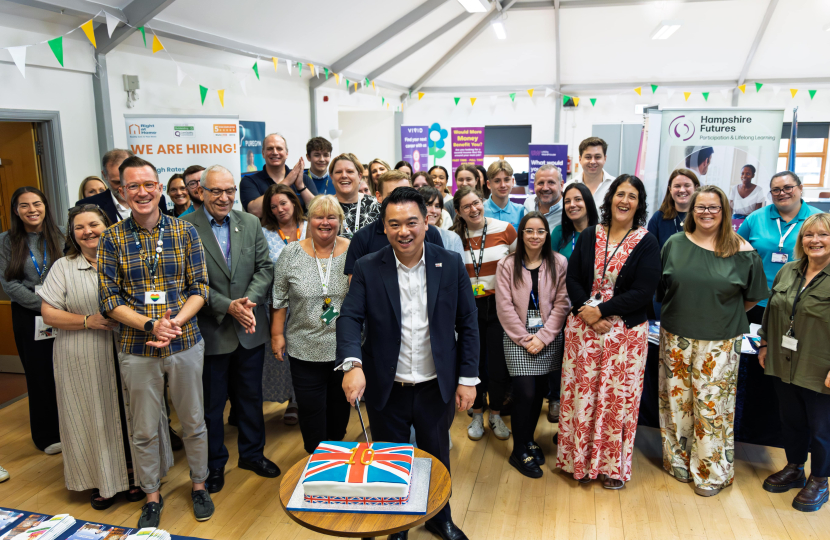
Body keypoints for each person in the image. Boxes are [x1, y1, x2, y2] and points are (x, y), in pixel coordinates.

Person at [338, 187, 479, 540]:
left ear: (427, 220)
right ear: (383, 228)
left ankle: (439, 516)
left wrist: (468, 378)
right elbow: (349, 318)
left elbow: (469, 322)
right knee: (390, 458)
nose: (404, 231)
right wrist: (352, 363)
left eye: (412, 222)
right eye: (395, 224)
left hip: (436, 384)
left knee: (436, 454)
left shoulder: (449, 264)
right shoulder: (368, 267)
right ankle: (395, 522)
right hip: (388, 385)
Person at [98, 156, 213, 527]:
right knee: (144, 428)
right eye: (133, 186)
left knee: (194, 421)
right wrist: (152, 325)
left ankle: (199, 484)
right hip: (137, 347)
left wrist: (173, 323)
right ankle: (151, 493)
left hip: (184, 341)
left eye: (149, 185)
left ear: (159, 188)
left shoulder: (185, 232)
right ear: (122, 191)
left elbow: (200, 288)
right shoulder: (112, 238)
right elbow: (109, 300)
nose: (142, 192)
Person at [657, 185, 768, 496]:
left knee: (710, 407)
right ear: (691, 211)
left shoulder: (743, 251)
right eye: (700, 207)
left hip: (719, 340)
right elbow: (665, 289)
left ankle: (710, 472)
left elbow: (751, 299)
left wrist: (719, 312)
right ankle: (677, 461)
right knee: (677, 404)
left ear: (724, 212)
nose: (706, 212)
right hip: (675, 334)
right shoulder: (674, 244)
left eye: (713, 207)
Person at [557, 174, 661, 490]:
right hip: (583, 332)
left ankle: (612, 468)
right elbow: (572, 278)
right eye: (620, 194)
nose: (624, 200)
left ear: (639, 204)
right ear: (610, 198)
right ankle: (576, 461)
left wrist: (600, 311)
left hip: (624, 336)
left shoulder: (647, 241)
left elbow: (645, 291)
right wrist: (585, 313)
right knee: (581, 397)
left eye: (632, 196)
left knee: (617, 402)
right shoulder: (590, 234)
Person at [181, 165, 279, 495]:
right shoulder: (185, 228)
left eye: (230, 191)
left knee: (251, 399)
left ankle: (252, 455)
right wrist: (228, 306)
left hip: (249, 327)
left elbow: (265, 268)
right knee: (212, 406)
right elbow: (186, 281)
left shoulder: (249, 223)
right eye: (216, 191)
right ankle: (215, 465)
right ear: (201, 192)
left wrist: (247, 303)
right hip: (212, 331)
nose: (224, 198)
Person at [37, 205, 140, 509]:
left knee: (130, 413)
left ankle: (136, 476)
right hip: (81, 353)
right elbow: (48, 314)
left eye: (94, 224)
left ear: (108, 226)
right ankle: (102, 480)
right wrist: (87, 321)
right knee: (92, 415)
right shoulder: (63, 267)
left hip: (127, 348)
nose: (88, 232)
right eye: (79, 227)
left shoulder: (126, 260)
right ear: (72, 234)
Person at [759, 213, 830, 512]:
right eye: (808, 235)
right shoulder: (787, 271)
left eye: (823, 235)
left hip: (819, 365)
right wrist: (764, 343)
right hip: (784, 360)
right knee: (792, 420)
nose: (815, 240)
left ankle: (821, 480)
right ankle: (795, 467)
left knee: (821, 428)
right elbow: (771, 311)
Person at [271, 195, 351, 454]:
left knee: (339, 413)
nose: (325, 222)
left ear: (340, 221)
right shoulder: (291, 253)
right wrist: (276, 335)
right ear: (309, 220)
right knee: (311, 412)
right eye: (319, 216)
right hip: (303, 348)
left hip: (344, 349)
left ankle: (335, 456)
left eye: (332, 217)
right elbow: (279, 298)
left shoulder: (353, 251)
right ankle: (316, 459)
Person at [495, 212, 569, 478]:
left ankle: (528, 440)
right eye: (529, 231)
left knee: (539, 392)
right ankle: (518, 450)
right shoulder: (507, 264)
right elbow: (504, 307)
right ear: (521, 234)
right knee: (524, 392)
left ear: (547, 235)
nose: (535, 236)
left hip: (548, 336)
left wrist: (544, 336)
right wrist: (526, 338)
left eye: (540, 231)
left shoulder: (559, 262)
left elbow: (562, 303)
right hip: (518, 337)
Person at [0, 187, 64, 455]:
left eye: (37, 203)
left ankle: (72, 430)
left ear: (45, 206)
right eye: (24, 205)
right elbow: (9, 283)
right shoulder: (6, 240)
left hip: (65, 314)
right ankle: (46, 436)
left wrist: (60, 309)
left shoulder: (61, 234)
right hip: (31, 317)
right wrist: (46, 308)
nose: (32, 210)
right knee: (40, 377)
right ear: (16, 211)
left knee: (66, 373)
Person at [451, 186, 517, 441]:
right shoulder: (454, 237)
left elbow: (519, 268)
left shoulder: (505, 229)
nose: (473, 209)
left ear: (483, 202)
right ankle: (477, 415)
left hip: (499, 306)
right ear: (458, 211)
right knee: (473, 363)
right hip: (468, 308)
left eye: (476, 202)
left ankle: (496, 414)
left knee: (498, 366)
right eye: (466, 206)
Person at [737, 171, 823, 324]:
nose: (782, 193)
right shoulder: (755, 218)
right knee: (755, 346)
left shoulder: (818, 219)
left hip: (801, 301)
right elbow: (734, 254)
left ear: (800, 188)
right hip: (756, 301)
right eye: (776, 190)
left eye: (788, 188)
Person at [259, 183, 305, 423]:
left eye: (283, 203)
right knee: (284, 355)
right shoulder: (264, 233)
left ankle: (304, 400)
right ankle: (291, 401)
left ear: (294, 203)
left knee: (308, 353)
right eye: (273, 206)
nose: (279, 210)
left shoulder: (309, 226)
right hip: (277, 306)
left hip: (310, 305)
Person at [344, 170, 445, 276]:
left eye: (406, 194)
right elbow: (356, 285)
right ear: (378, 196)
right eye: (392, 196)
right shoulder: (362, 238)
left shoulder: (430, 232)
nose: (400, 201)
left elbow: (442, 274)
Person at [76, 149, 170, 223]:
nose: (123, 187)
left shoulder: (157, 199)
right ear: (104, 175)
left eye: (132, 184)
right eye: (117, 182)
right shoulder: (89, 205)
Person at [240, 133, 317, 217]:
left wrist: (301, 187)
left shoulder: (303, 179)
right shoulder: (249, 181)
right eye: (270, 149)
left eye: (279, 148)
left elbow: (318, 211)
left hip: (300, 229)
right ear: (263, 153)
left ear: (286, 153)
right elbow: (254, 211)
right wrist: (286, 182)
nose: (275, 152)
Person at [330, 153, 381, 239]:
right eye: (338, 172)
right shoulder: (322, 207)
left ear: (359, 176)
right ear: (332, 177)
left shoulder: (377, 205)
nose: (344, 175)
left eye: (350, 171)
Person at [647, 169, 700, 250]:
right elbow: (650, 252)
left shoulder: (702, 216)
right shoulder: (658, 218)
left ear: (696, 188)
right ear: (670, 189)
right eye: (677, 186)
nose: (682, 190)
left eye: (687, 185)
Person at [550, 183, 599, 259]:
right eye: (567, 201)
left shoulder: (602, 233)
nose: (572, 205)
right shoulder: (559, 232)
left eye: (578, 199)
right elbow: (551, 266)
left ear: (588, 202)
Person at [571, 137, 615, 212]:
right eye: (588, 157)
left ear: (605, 158)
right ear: (580, 159)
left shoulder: (616, 186)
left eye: (597, 157)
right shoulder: (569, 187)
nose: (593, 161)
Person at [420, 186, 464, 259]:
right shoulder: (410, 237)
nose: (433, 210)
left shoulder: (452, 238)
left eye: (437, 206)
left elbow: (458, 269)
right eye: (427, 205)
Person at [484, 160, 525, 232]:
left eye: (506, 180)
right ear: (488, 184)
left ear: (512, 182)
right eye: (497, 181)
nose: (503, 185)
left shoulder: (521, 211)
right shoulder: (480, 211)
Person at [523, 164, 563, 230]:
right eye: (541, 183)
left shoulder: (568, 209)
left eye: (551, 182)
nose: (545, 188)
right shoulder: (529, 203)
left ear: (561, 185)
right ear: (534, 185)